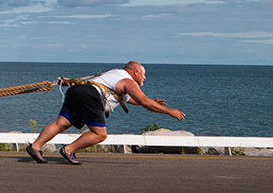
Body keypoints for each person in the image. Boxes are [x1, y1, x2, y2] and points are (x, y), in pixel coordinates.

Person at [26, 61, 185, 165]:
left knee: (61, 124)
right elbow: (144, 101)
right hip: (90, 95)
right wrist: (169, 111)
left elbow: (132, 100)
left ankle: (35, 146)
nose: (145, 77)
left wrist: (153, 102)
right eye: (143, 73)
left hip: (77, 91)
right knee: (100, 134)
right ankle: (68, 150)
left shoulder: (115, 74)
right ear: (135, 72)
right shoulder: (128, 81)